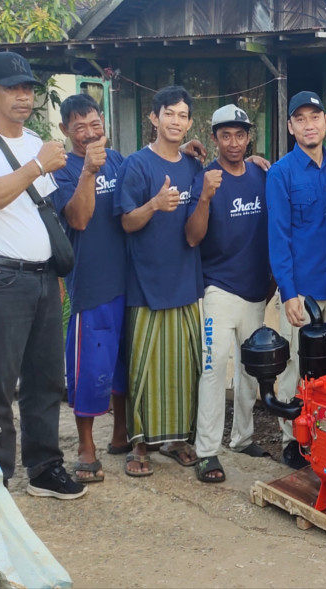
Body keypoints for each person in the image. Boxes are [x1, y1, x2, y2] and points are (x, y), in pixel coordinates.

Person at [0, 51, 86, 499]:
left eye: (28, 88)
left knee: (46, 381)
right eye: (12, 88)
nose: (24, 95)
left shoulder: (35, 142)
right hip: (0, 280)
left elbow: (45, 215)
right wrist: (37, 166)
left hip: (44, 280)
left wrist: (55, 275)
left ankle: (45, 467)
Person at [114, 85, 204, 477]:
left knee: (185, 366)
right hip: (145, 283)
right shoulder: (136, 165)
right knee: (144, 367)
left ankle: (180, 439)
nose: (176, 121)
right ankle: (139, 444)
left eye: (183, 115)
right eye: (169, 113)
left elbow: (197, 228)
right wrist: (154, 204)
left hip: (185, 279)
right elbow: (126, 222)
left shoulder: (192, 166)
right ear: (154, 118)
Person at [184, 104, 273, 482]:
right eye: (225, 135)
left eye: (240, 135)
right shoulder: (206, 178)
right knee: (214, 367)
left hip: (255, 289)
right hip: (218, 289)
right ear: (214, 137)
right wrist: (204, 196)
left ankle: (242, 437)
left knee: (250, 371)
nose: (233, 142)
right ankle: (206, 451)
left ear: (249, 136)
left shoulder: (260, 173)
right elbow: (192, 236)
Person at [266, 91, 326, 470]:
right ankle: (294, 440)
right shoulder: (281, 173)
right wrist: (288, 292)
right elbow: (279, 236)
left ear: (324, 122)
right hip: (301, 293)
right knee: (293, 370)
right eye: (299, 118)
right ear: (290, 127)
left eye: (315, 117)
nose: (309, 124)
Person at [50, 94, 128, 485]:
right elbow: (78, 219)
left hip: (126, 281)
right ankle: (86, 446)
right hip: (90, 284)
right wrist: (87, 172)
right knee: (88, 368)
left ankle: (120, 434)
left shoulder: (116, 160)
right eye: (79, 127)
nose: (89, 133)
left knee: (122, 365)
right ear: (65, 131)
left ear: (104, 124)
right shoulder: (61, 170)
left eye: (94, 124)